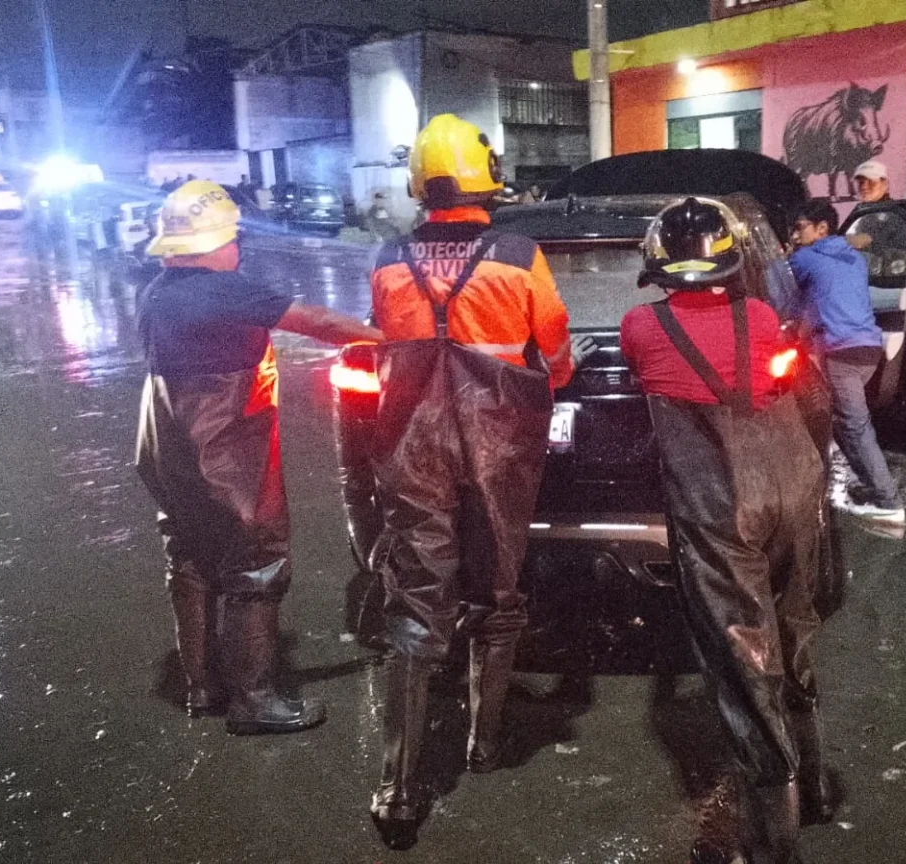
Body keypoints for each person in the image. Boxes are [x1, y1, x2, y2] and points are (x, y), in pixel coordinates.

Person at [365, 114, 585, 850]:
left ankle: (398, 789)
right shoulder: (518, 254)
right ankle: (482, 748)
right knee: (496, 588)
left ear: (420, 186)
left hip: (412, 449)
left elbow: (387, 346)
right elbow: (553, 353)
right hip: (498, 449)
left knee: (416, 601)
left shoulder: (387, 258)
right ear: (486, 180)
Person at [620, 197, 840, 863]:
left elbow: (653, 382)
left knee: (748, 666)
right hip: (794, 487)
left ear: (659, 262)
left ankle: (772, 845)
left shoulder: (640, 323)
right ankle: (819, 788)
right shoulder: (761, 313)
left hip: (719, 506)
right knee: (793, 632)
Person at [134, 180, 384, 736]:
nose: (238, 248)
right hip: (223, 443)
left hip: (164, 442)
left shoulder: (155, 291)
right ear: (213, 244)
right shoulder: (226, 291)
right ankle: (255, 700)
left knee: (191, 555)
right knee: (256, 559)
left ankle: (203, 686)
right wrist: (385, 337)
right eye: (233, 239)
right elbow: (316, 322)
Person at [785, 198, 905, 527]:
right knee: (841, 422)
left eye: (800, 228)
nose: (796, 235)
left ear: (821, 228)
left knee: (854, 425)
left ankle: (888, 502)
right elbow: (815, 296)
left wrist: (780, 253)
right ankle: (871, 483)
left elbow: (776, 283)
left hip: (842, 353)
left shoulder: (806, 258)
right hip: (868, 350)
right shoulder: (853, 256)